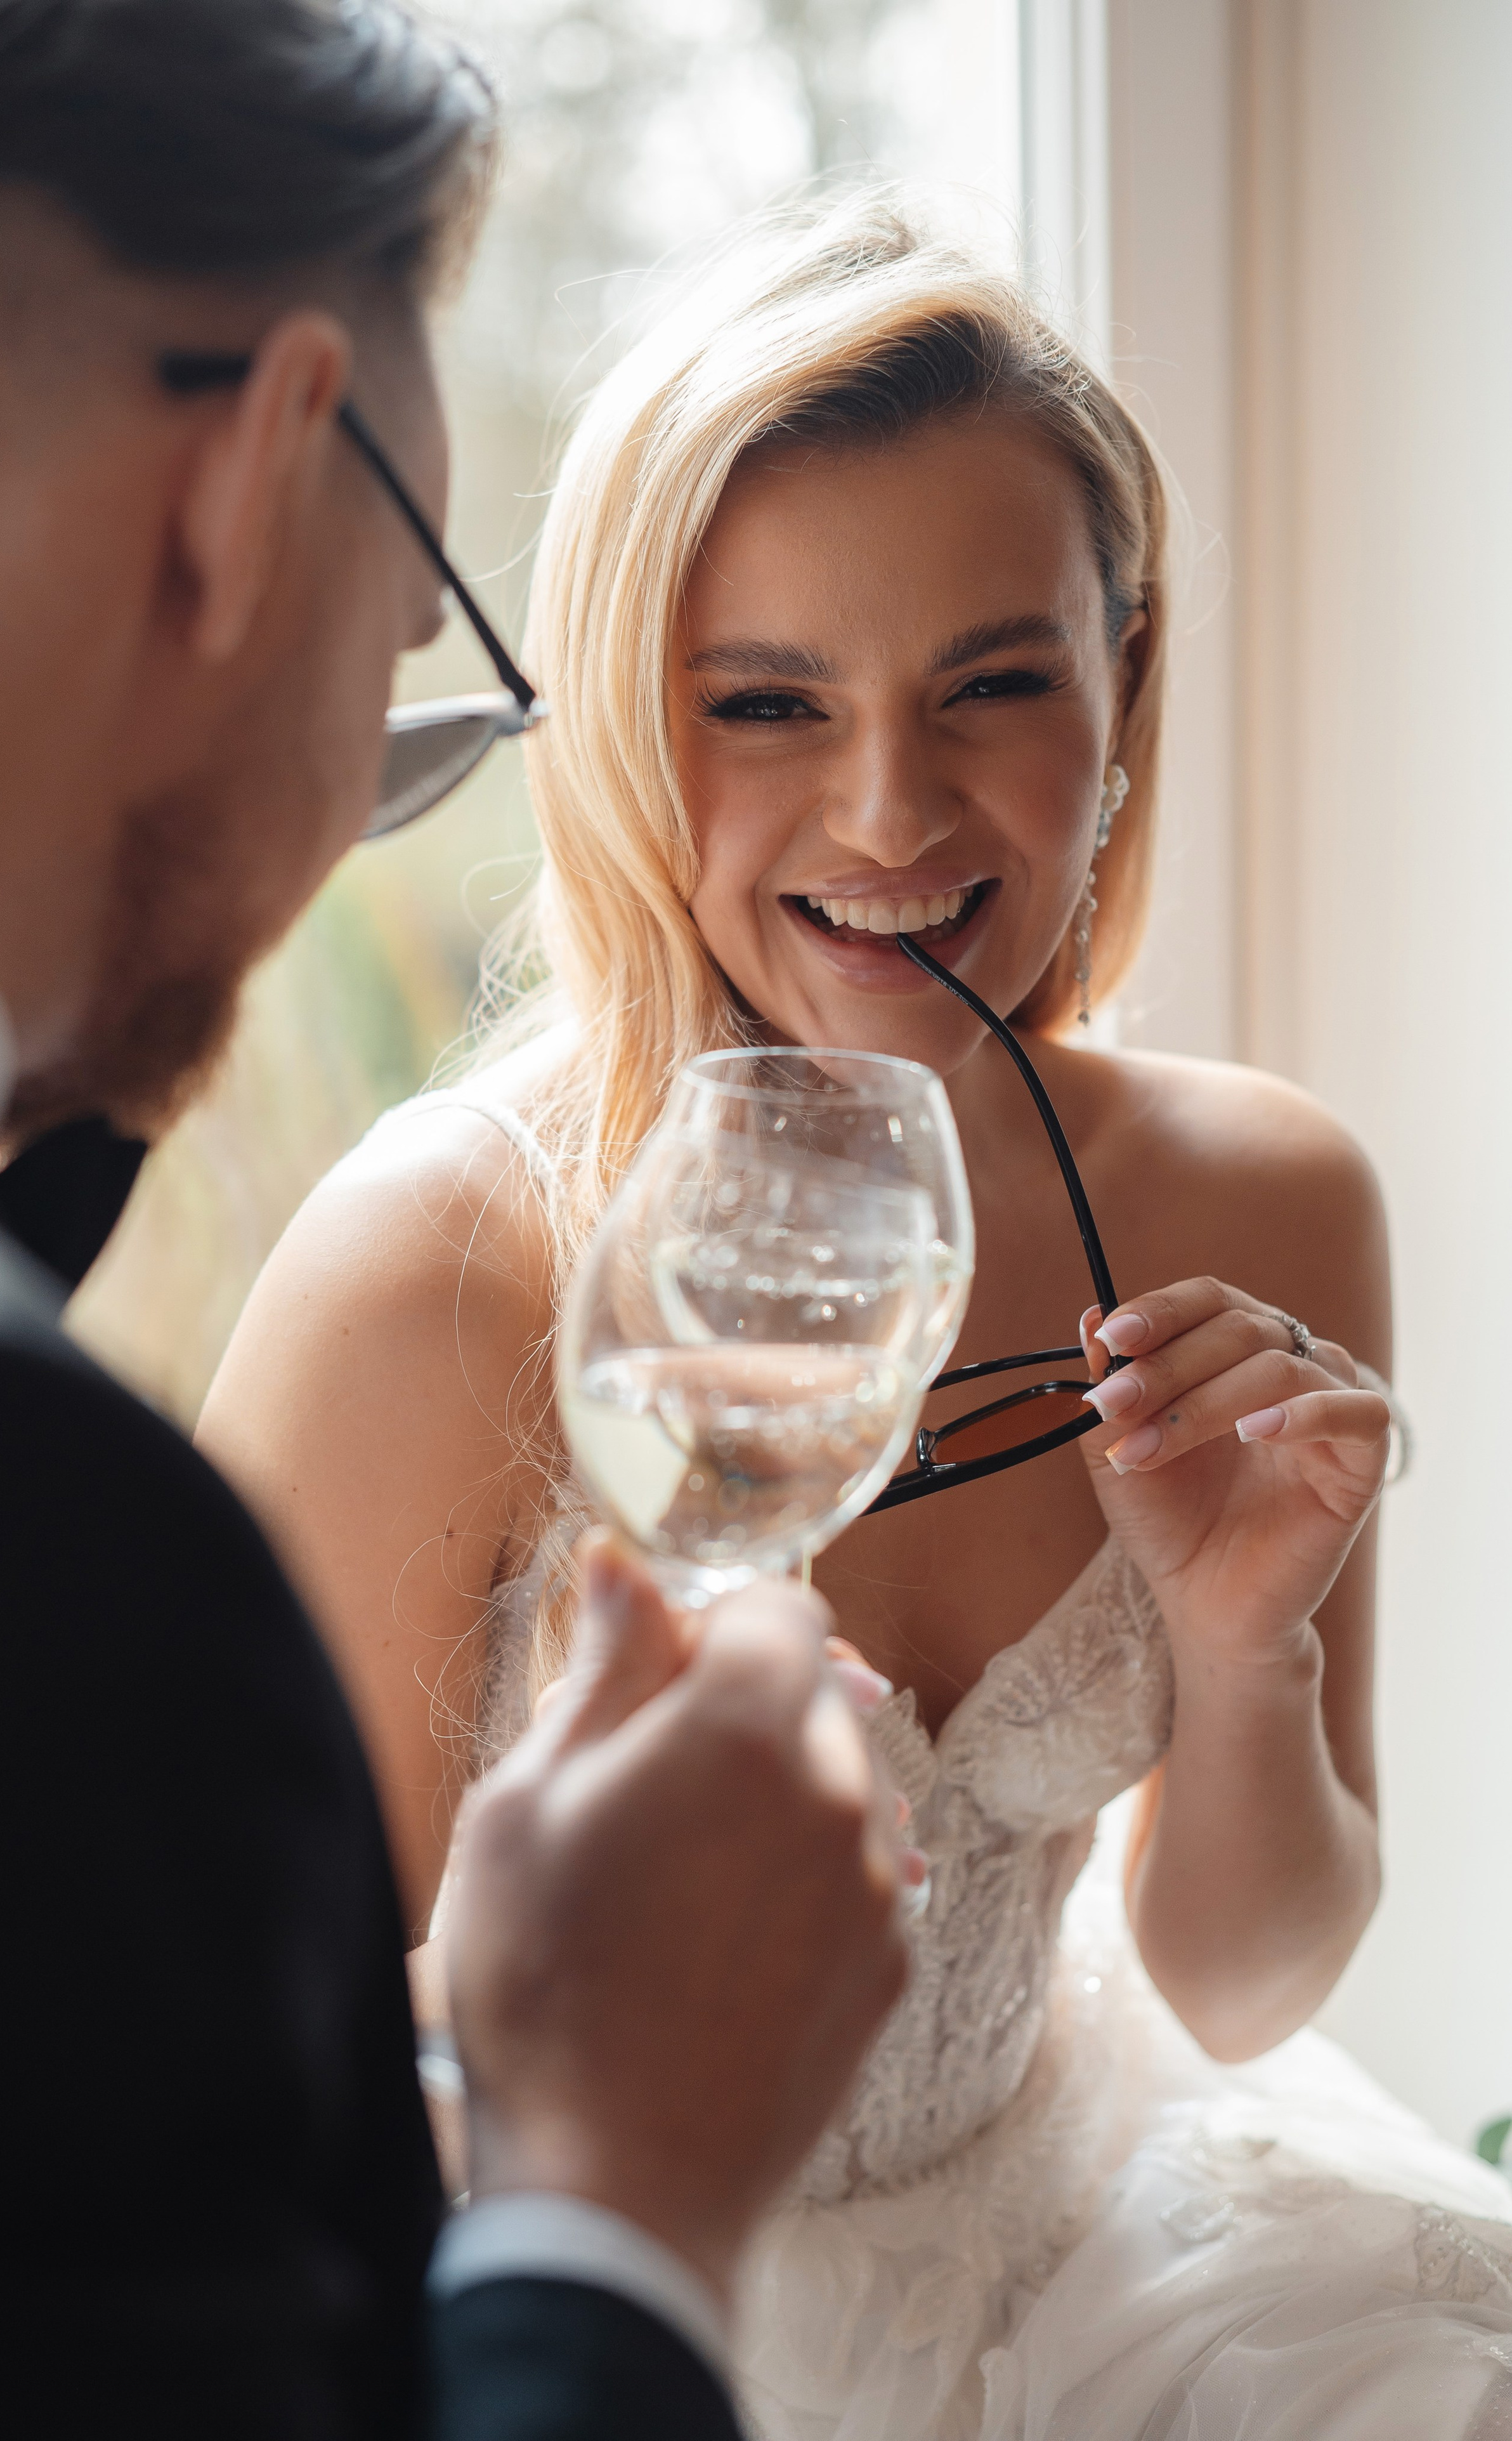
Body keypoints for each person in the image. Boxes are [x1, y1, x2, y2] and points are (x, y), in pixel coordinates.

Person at [203, 195, 1512, 2437]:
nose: (893, 809)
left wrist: (1243, 1653)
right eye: (766, 704)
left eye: (995, 683)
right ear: (629, 731)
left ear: (1124, 680)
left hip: (1077, 2275)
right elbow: (227, 2072)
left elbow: (1243, 1989)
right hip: (560, 2300)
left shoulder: (1262, 1198)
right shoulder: (443, 1263)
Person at [0, 10, 915, 2435]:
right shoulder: (5, 1531)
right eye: (417, 610)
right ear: (259, 475)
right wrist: (619, 2185)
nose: (385, 743)